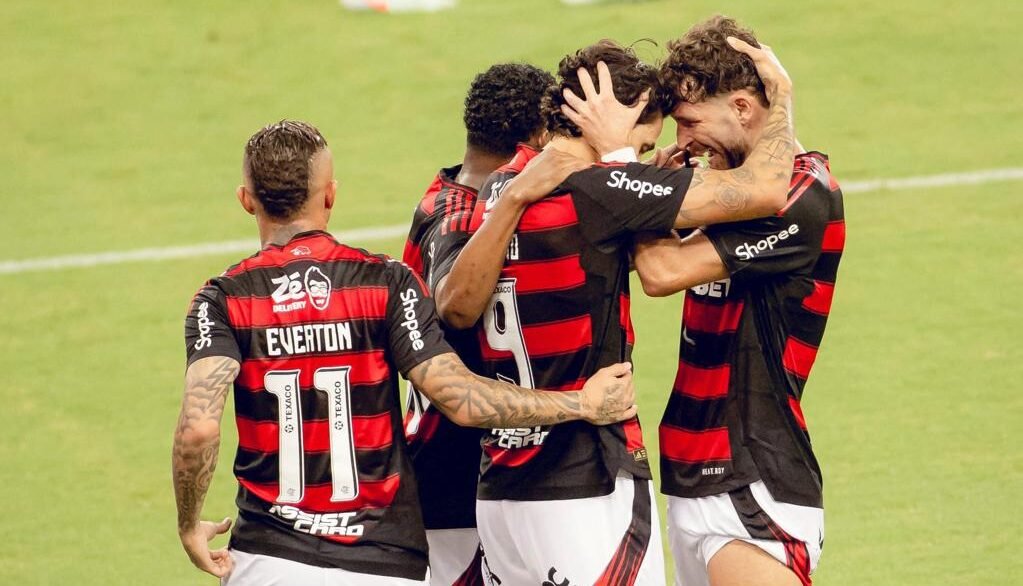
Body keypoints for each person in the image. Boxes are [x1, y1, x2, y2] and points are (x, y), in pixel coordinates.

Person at [171, 120, 638, 585]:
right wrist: (582, 403)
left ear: (246, 200)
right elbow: (459, 399)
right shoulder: (385, 283)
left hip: (266, 559)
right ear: (330, 195)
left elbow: (199, 427)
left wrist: (189, 523)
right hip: (382, 562)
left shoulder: (222, 298)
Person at [436, 36, 796, 586]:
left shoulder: (503, 188)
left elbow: (460, 306)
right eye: (646, 144)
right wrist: (782, 97)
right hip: (586, 481)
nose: (652, 158)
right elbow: (769, 189)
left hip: (503, 489)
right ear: (611, 122)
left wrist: (642, 180)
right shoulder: (603, 188)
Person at [565, 16, 845, 586]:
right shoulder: (726, 190)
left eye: (691, 122)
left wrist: (624, 170)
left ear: (743, 108)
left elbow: (663, 271)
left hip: (755, 476)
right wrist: (648, 187)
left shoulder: (803, 194)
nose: (683, 140)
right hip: (694, 473)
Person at [400, 62, 554, 585]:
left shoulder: (448, 195)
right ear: (535, 136)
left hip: (457, 467)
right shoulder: (461, 216)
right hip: (452, 477)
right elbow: (455, 305)